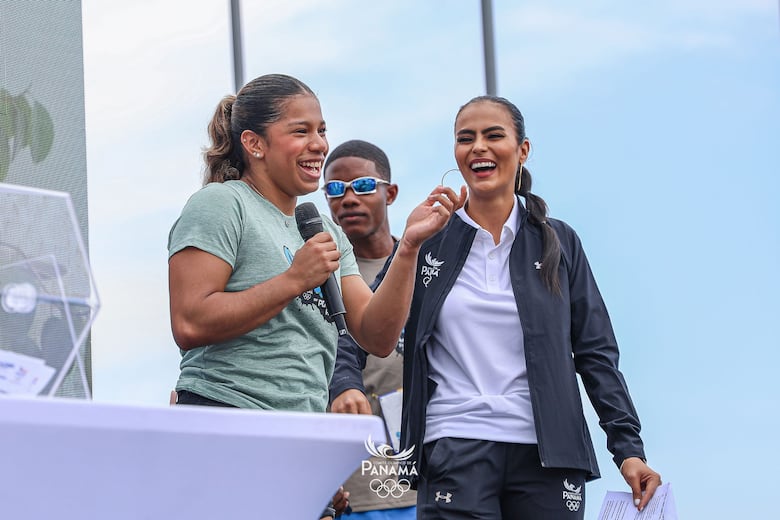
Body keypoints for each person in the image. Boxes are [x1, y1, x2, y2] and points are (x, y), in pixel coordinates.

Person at [340, 95, 662, 519]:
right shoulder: (426, 241)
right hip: (452, 446)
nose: (478, 147)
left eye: (494, 135)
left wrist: (628, 451)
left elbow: (596, 353)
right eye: (465, 138)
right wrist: (344, 383)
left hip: (552, 457)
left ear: (522, 149)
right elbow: (360, 330)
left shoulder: (560, 242)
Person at [166, 74, 461, 520]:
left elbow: (376, 335)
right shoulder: (222, 205)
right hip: (227, 425)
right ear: (255, 143)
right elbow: (189, 323)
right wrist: (292, 280)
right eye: (300, 131)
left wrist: (409, 248)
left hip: (301, 440)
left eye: (321, 130)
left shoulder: (323, 229)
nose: (319, 144)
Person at [324, 140, 417, 519]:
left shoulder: (425, 268)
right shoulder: (320, 279)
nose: (347, 198)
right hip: (355, 489)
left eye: (362, 186)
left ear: (390, 192)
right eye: (334, 189)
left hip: (426, 481)